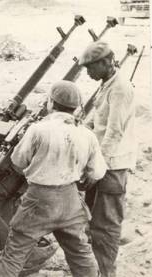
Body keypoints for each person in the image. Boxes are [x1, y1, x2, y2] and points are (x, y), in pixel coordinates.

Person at [0, 80, 107, 277]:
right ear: (76, 108)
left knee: (14, 254)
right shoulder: (87, 135)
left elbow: (18, 161)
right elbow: (97, 172)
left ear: (51, 103)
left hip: (39, 199)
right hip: (70, 200)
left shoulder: (38, 129)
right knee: (81, 254)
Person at [79, 41, 137, 277]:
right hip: (101, 164)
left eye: (91, 67)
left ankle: (106, 273)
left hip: (111, 166)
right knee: (94, 223)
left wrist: (96, 166)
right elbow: (93, 122)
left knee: (106, 227)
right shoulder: (106, 85)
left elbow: (114, 132)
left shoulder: (120, 88)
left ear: (105, 62)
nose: (88, 72)